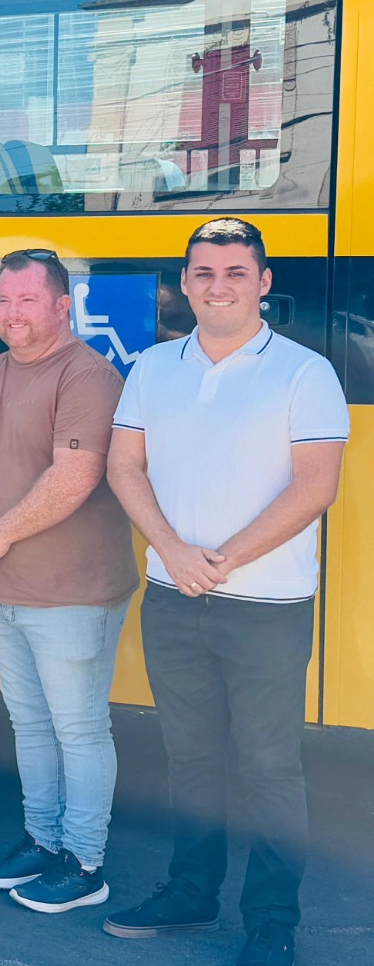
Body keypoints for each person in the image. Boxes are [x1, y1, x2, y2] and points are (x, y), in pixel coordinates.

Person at [104, 220, 347, 966]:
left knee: (270, 765)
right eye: (204, 273)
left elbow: (316, 486)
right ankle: (191, 891)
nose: (219, 286)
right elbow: (124, 468)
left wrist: (223, 558)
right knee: (191, 756)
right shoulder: (152, 366)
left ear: (264, 282)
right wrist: (174, 554)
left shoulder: (306, 373)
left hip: (268, 605)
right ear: (185, 282)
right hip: (173, 598)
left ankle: (271, 920)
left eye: (236, 272)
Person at [0, 248, 137, 913]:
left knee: (78, 727)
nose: (12, 313)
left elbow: (75, 477)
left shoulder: (87, 378)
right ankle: (42, 838)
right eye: (4, 300)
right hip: (4, 588)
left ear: (61, 305)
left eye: (27, 300)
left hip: (73, 592)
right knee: (29, 721)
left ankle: (84, 862)